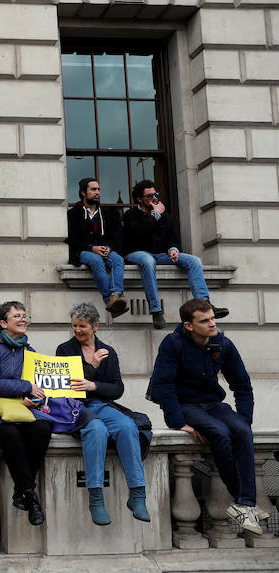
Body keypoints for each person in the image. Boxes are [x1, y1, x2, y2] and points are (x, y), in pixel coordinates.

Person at [148, 298, 268, 535]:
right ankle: (243, 500)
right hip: (187, 406)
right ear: (189, 325)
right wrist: (178, 421)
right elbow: (163, 386)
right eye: (205, 321)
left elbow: (242, 385)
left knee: (243, 431)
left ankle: (244, 504)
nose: (213, 324)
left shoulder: (223, 344)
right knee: (219, 433)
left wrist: (244, 418)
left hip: (213, 404)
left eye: (213, 318)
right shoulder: (173, 343)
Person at [55, 303, 149, 526]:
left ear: (95, 326)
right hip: (75, 408)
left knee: (127, 426)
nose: (77, 330)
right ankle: (96, 499)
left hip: (101, 404)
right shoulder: (64, 350)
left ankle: (137, 494)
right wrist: (92, 365)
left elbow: (117, 389)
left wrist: (94, 386)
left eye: (82, 326)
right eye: (74, 325)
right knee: (96, 430)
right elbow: (66, 389)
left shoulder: (109, 351)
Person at [0, 301, 51, 526]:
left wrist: (36, 398)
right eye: (16, 316)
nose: (23, 319)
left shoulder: (30, 351)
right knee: (10, 434)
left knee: (43, 428)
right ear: (3, 323)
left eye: (25, 315)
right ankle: (30, 495)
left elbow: (39, 386)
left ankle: (21, 491)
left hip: (21, 408)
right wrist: (25, 388)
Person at [122, 180, 228, 328]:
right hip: (137, 253)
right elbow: (138, 236)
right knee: (147, 260)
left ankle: (205, 305)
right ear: (140, 199)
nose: (154, 198)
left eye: (156, 194)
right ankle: (156, 310)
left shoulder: (166, 217)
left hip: (161, 255)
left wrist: (173, 250)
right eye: (150, 195)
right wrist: (155, 215)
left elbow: (174, 239)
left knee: (194, 261)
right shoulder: (131, 215)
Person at [66, 178, 128, 319]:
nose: (97, 192)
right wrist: (92, 248)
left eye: (98, 189)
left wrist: (109, 247)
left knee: (118, 260)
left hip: (105, 250)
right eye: (93, 189)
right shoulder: (73, 214)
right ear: (83, 192)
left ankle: (117, 295)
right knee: (96, 261)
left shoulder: (107, 213)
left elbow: (116, 235)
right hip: (83, 251)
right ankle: (109, 302)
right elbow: (72, 239)